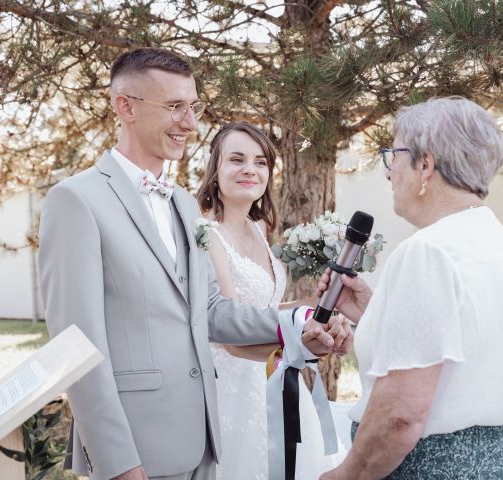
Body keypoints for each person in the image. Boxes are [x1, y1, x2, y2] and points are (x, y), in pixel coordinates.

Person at [38, 48, 351, 480]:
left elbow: (212, 313)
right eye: (174, 107)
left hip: (205, 446)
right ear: (124, 106)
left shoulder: (184, 204)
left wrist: (298, 322)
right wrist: (118, 462)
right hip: (137, 452)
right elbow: (78, 348)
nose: (190, 123)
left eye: (193, 107)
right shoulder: (76, 200)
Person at [317, 97, 503, 479]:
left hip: (446, 466)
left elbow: (401, 415)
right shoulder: (498, 241)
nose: (388, 173)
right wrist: (374, 311)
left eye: (393, 155)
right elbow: (468, 349)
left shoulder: (428, 251)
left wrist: (344, 475)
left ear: (426, 165)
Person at [196, 121, 347, 479]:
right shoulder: (207, 235)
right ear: (215, 170)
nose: (250, 169)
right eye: (236, 159)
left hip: (275, 379)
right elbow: (232, 333)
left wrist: (313, 308)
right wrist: (300, 339)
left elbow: (264, 311)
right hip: (235, 389)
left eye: (260, 161)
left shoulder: (257, 228)